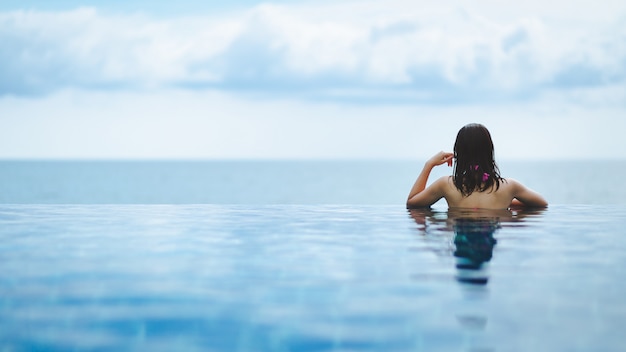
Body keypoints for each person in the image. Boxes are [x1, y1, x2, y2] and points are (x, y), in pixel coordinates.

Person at [407, 123, 547, 209]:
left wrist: (429, 165)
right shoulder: (509, 187)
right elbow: (542, 203)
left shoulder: (447, 185)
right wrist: (508, 200)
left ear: (459, 152)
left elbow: (412, 203)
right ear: (489, 151)